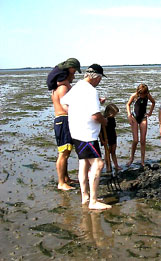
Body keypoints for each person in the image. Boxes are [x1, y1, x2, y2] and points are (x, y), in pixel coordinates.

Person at [60, 64, 111, 210]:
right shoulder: (91, 91)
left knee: (84, 164)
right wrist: (104, 121)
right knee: (98, 164)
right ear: (96, 77)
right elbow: (95, 116)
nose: (100, 81)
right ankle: (93, 201)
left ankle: (85, 197)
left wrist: (77, 113)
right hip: (87, 135)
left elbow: (64, 103)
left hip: (75, 132)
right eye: (100, 78)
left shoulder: (78, 86)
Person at [47, 58, 81, 191]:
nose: (73, 76)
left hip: (62, 120)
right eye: (73, 74)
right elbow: (66, 106)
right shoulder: (62, 88)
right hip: (63, 120)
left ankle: (66, 178)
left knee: (65, 151)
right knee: (64, 153)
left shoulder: (58, 87)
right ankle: (61, 182)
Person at [126, 83, 155, 167]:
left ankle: (142, 160)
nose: (142, 96)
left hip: (143, 118)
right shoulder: (134, 96)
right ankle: (131, 158)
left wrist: (150, 113)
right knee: (135, 140)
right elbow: (128, 104)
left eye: (144, 94)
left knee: (143, 140)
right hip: (134, 117)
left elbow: (153, 102)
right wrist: (129, 115)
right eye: (141, 94)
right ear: (138, 92)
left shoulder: (147, 95)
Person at [100, 103, 121, 171]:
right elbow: (100, 131)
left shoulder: (112, 119)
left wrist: (115, 135)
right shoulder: (104, 119)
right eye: (113, 113)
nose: (114, 115)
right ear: (109, 112)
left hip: (113, 136)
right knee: (107, 152)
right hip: (106, 137)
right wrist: (102, 139)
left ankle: (116, 165)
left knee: (113, 151)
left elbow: (113, 128)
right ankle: (108, 166)